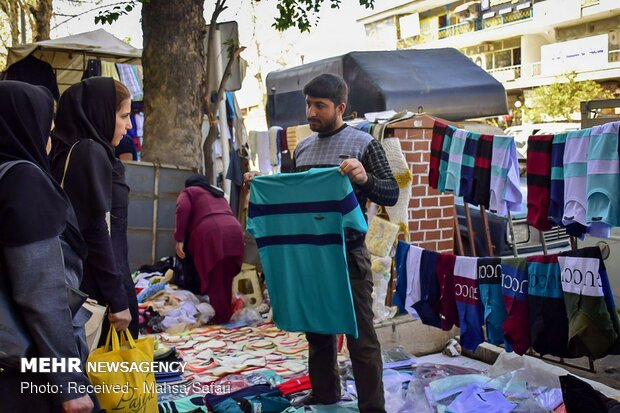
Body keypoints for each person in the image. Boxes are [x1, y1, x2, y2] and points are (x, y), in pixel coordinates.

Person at [245, 74, 398, 412]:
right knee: (317, 329)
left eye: (320, 106)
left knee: (361, 338)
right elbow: (290, 192)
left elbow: (391, 191)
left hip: (348, 255)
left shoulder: (362, 143)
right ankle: (326, 393)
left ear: (340, 107)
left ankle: (373, 408)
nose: (311, 112)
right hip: (311, 255)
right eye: (308, 104)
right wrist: (262, 183)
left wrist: (365, 177)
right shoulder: (303, 148)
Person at [0, 81, 94, 413]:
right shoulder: (24, 182)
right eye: (47, 130)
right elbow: (42, 293)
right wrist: (70, 384)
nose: (51, 142)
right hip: (28, 370)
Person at [50, 77, 139, 339]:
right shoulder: (89, 153)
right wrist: (117, 298)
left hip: (97, 285)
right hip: (100, 293)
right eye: (123, 116)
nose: (129, 125)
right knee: (111, 374)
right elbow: (97, 231)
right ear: (99, 113)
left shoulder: (75, 151)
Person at [174, 174, 244, 323]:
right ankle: (225, 314)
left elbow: (182, 209)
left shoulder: (189, 192)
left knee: (215, 278)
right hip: (235, 231)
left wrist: (179, 239)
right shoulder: (217, 193)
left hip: (213, 233)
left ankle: (221, 317)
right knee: (226, 276)